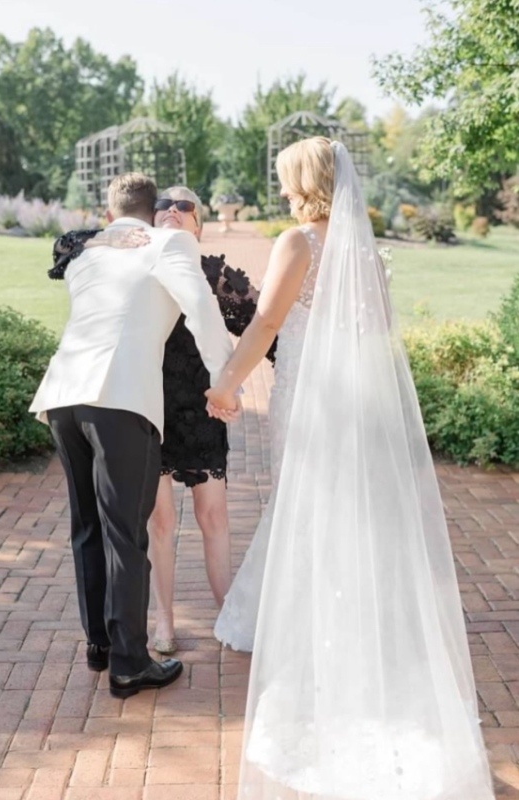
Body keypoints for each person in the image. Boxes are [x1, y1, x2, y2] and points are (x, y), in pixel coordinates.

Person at [207, 139, 495, 798]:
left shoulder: (298, 243)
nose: (281, 192)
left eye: (285, 180)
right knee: (350, 514)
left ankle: (315, 648)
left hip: (311, 397)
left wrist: (227, 384)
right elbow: (376, 332)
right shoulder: (365, 250)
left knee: (308, 507)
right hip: (356, 396)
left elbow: (265, 324)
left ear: (305, 181)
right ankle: (358, 637)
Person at [29, 172, 234, 700]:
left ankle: (99, 644)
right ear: (152, 211)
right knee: (125, 533)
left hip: (63, 398)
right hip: (120, 399)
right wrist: (225, 384)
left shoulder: (89, 251)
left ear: (110, 210)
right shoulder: (170, 242)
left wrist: (105, 236)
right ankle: (129, 664)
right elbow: (203, 311)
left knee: (87, 526)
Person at [50, 186, 274, 657]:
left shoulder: (209, 272)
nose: (173, 211)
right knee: (158, 521)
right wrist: (105, 239)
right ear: (149, 219)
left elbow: (263, 331)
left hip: (201, 410)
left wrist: (234, 385)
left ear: (200, 225)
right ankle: (162, 623)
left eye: (185, 206)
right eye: (164, 205)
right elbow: (66, 244)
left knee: (212, 516)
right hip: (145, 408)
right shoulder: (139, 251)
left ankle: (227, 613)